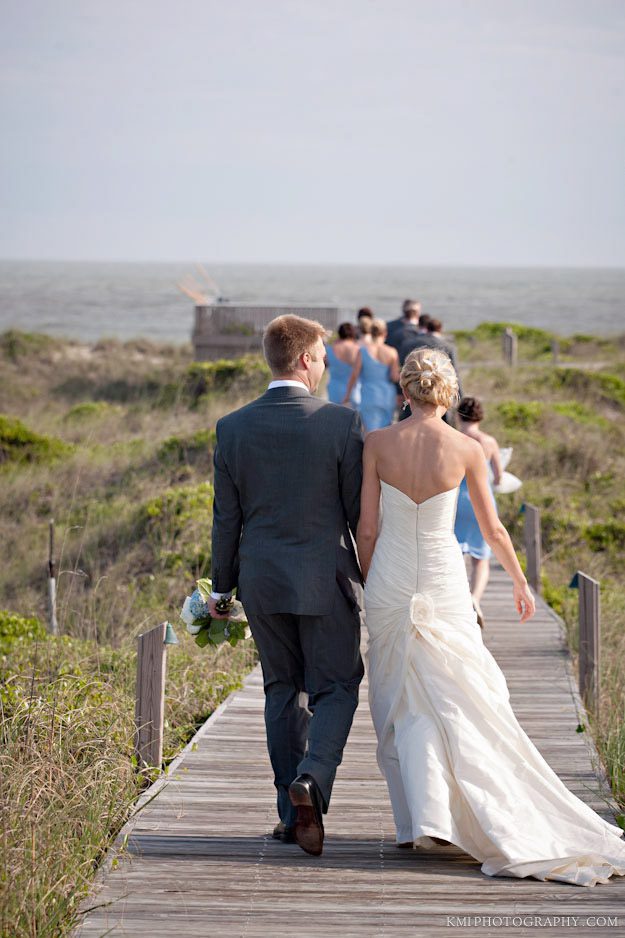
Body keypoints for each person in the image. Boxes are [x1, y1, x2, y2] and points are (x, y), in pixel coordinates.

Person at [357, 348, 625, 887]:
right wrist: (521, 581)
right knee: (458, 697)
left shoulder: (377, 444)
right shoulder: (466, 448)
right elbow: (494, 529)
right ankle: (442, 818)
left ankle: (422, 821)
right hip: (441, 578)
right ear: (447, 393)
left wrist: (369, 580)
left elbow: (367, 527)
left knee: (401, 701)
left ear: (405, 391)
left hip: (389, 581)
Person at [210, 314, 365, 857]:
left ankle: (288, 813)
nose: (325, 364)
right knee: (338, 685)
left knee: (282, 689)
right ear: (303, 359)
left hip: (262, 580)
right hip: (325, 578)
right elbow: (357, 515)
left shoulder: (231, 427)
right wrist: (374, 578)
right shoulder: (342, 424)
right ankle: (314, 779)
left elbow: (226, 520)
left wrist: (221, 590)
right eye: (322, 356)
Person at [454, 396, 502, 627]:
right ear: (480, 416)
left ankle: (457, 600)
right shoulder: (489, 442)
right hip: (482, 501)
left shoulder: (452, 438)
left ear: (458, 415)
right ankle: (475, 597)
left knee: (454, 554)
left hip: (456, 500)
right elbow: (499, 477)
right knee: (480, 559)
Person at [398, 315, 461, 424]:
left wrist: (401, 392)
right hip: (439, 395)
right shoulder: (448, 347)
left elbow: (403, 371)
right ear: (440, 329)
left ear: (426, 328)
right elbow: (455, 374)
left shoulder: (408, 344)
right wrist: (460, 396)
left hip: (413, 393)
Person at [343, 318, 399, 431]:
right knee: (386, 431)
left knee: (369, 432)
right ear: (385, 333)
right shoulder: (392, 352)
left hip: (369, 394)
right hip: (387, 395)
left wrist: (347, 395)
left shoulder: (363, 351)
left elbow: (354, 375)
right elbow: (394, 376)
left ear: (371, 333)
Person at [325, 322, 361, 407]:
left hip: (335, 389)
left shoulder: (330, 349)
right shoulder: (358, 349)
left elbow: (325, 365)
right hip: (354, 389)